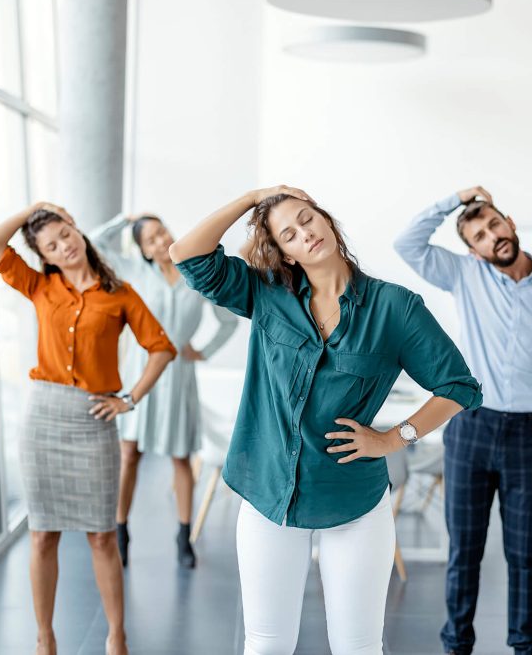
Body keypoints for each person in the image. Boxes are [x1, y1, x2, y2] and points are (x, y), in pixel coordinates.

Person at [169, 185, 482, 655]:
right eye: (288, 234)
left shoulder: (395, 307)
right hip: (267, 492)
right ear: (286, 254)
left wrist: (395, 439)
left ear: (327, 220)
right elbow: (187, 255)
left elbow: (459, 386)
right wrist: (254, 198)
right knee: (266, 643)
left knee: (358, 647)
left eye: (307, 218)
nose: (304, 234)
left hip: (351, 500)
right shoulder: (265, 293)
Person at [394, 186, 532, 655]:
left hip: (529, 436)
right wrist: (453, 200)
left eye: (495, 224)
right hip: (470, 427)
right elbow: (407, 244)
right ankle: (456, 643)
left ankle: (524, 645)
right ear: (471, 249)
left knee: (523, 555)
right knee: (465, 552)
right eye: (478, 234)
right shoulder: (462, 274)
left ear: (510, 224)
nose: (491, 236)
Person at [0, 203, 175, 655]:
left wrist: (128, 399)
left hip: (93, 421)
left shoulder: (120, 295)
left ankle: (117, 635)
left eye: (65, 234)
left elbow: (161, 348)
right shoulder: (40, 285)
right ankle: (45, 636)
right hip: (44, 418)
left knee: (102, 535)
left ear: (77, 231)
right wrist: (34, 209)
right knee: (42, 533)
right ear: (45, 257)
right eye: (50, 245)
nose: (63, 246)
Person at [90, 213, 237, 568]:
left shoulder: (194, 273)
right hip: (140, 371)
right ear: (141, 249)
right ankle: (121, 530)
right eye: (151, 239)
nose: (160, 241)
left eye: (162, 232)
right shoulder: (135, 272)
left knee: (181, 457)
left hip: (178, 373)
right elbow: (94, 243)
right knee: (129, 455)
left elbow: (229, 318)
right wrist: (124, 222)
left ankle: (183, 536)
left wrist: (204, 351)